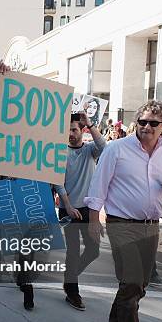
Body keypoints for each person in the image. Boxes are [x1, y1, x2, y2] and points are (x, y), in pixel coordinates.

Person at [85, 100, 162, 322]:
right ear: (136, 122)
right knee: (133, 281)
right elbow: (98, 184)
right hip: (120, 223)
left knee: (138, 284)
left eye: (153, 123)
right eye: (143, 122)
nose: (147, 127)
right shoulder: (117, 149)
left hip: (151, 223)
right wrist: (93, 220)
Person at [53, 113, 105, 310]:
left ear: (81, 130)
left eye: (74, 129)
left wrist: (90, 124)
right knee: (73, 251)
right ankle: (73, 292)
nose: (70, 134)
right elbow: (58, 181)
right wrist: (67, 205)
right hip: (68, 208)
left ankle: (69, 278)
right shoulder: (60, 152)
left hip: (88, 209)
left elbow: (104, 148)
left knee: (93, 250)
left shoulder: (90, 150)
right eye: (67, 130)